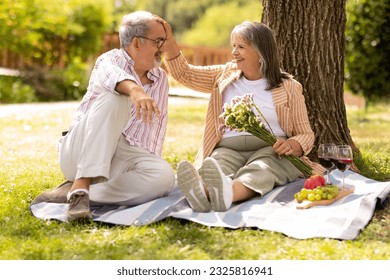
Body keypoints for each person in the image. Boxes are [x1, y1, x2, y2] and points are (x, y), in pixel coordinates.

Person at [161, 20, 325, 212]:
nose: (234, 53)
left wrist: (292, 145)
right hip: (228, 148)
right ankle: (202, 192)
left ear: (260, 51)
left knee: (262, 170)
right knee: (216, 166)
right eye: (233, 46)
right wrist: (170, 41)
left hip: (271, 150)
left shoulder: (289, 87)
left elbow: (306, 134)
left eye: (241, 47)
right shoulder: (224, 75)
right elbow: (185, 74)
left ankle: (228, 193)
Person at [59, 11, 175, 221]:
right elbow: (113, 78)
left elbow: (154, 131)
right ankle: (81, 184)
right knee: (117, 97)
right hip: (79, 151)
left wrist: (148, 167)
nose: (163, 48)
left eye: (164, 41)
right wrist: (135, 90)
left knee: (164, 176)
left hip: (120, 157)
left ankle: (82, 195)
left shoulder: (160, 79)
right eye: (158, 41)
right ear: (137, 43)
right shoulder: (109, 59)